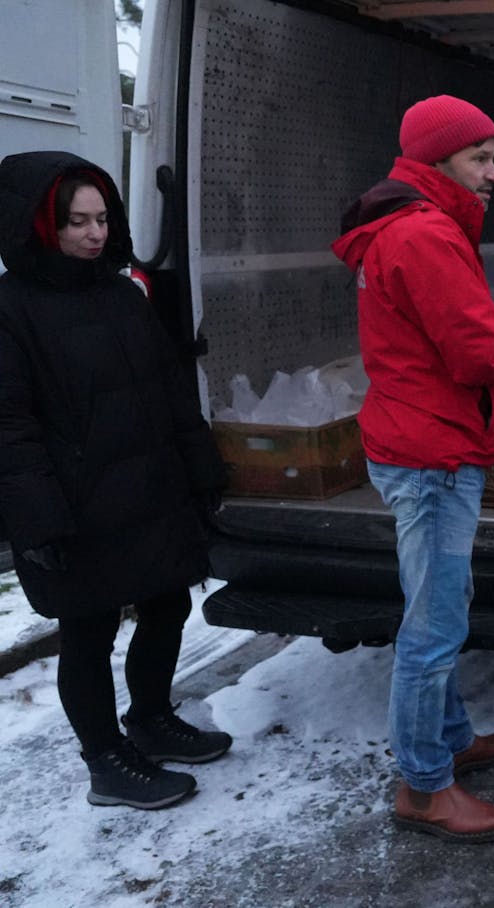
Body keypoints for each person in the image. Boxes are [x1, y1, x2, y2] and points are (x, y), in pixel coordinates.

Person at [331, 95, 494, 844]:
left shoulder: (412, 227)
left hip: (418, 441)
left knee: (441, 605)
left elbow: (452, 333)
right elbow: (475, 358)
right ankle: (424, 788)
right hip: (432, 456)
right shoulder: (427, 234)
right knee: (432, 629)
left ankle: (448, 742)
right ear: (437, 160)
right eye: (480, 158)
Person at [0, 151, 231, 809]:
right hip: (75, 507)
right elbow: (7, 425)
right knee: (89, 631)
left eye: (102, 218)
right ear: (42, 225)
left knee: (168, 603)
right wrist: (36, 518)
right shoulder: (11, 310)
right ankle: (105, 760)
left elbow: (167, 390)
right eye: (77, 222)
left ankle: (151, 719)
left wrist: (200, 465)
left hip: (147, 492)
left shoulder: (121, 292)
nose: (95, 233)